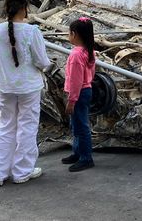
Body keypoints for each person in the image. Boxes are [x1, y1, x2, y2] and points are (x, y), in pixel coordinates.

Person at [0, 0, 51, 187]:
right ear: (25, 7)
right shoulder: (32, 32)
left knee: (5, 127)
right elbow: (42, 61)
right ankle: (22, 171)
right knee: (27, 128)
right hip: (28, 88)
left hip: (5, 86)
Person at [62, 16, 96, 172]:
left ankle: (86, 158)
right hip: (86, 91)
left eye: (69, 33)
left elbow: (76, 81)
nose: (68, 36)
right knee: (76, 124)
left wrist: (71, 100)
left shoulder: (75, 55)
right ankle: (77, 153)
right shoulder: (88, 51)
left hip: (79, 93)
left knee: (81, 127)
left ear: (74, 34)